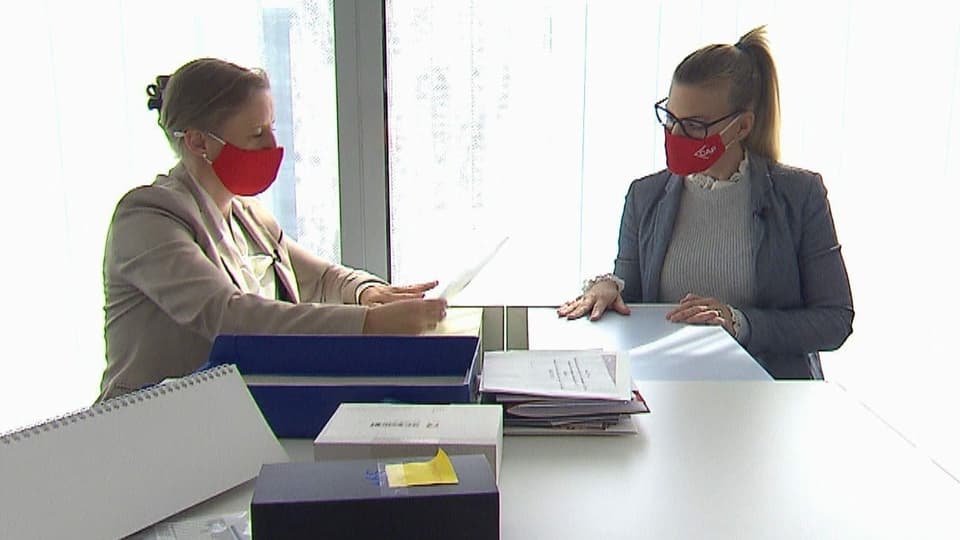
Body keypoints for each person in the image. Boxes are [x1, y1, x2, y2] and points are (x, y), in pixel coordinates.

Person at [99, 58, 447, 400]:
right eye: (256, 134)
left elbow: (321, 279)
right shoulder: (148, 217)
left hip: (220, 419)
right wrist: (369, 324)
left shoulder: (246, 214)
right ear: (199, 143)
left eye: (271, 128)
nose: (272, 146)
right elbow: (229, 316)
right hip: (143, 432)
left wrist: (367, 293)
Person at [557, 26, 853, 379]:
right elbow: (631, 295)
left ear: (741, 127)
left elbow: (834, 319)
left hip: (768, 395)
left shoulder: (800, 195)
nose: (676, 135)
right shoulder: (644, 196)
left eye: (695, 125)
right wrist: (608, 287)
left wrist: (739, 323)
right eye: (670, 118)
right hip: (665, 389)